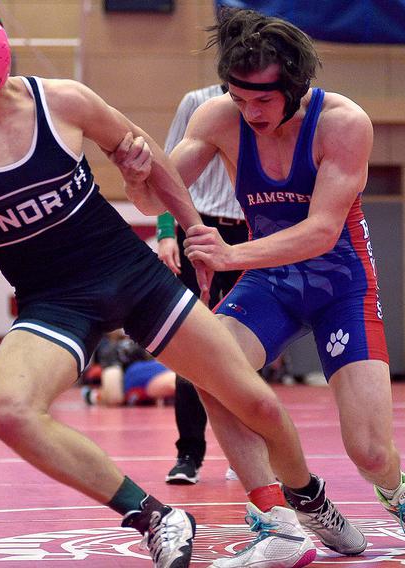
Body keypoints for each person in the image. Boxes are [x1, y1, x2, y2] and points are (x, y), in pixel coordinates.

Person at [0, 2, 344, 566]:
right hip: (54, 304)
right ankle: (157, 517)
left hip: (133, 276)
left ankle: (308, 499)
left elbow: (149, 159)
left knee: (253, 402)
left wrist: (193, 230)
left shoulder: (63, 101)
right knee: (8, 410)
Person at [115, 9, 405, 564]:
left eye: (262, 102)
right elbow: (156, 198)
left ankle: (397, 494)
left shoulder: (343, 123)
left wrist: (231, 253)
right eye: (239, 99)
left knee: (369, 450)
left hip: (342, 284)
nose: (249, 113)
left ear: (295, 89)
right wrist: (137, 175)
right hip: (273, 280)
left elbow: (323, 232)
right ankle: (287, 512)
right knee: (207, 364)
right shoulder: (219, 117)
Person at [157, 85, 249, 486]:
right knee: (189, 346)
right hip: (197, 230)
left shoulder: (275, 106)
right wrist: (164, 233)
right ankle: (188, 455)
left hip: (247, 237)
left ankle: (245, 452)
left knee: (246, 350)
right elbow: (164, 171)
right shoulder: (196, 102)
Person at [82, 330, 177, 406]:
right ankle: (96, 395)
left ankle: (96, 395)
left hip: (139, 370)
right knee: (114, 397)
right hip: (134, 372)